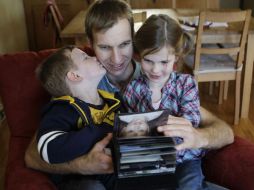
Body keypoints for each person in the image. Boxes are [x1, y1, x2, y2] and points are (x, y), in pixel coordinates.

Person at [25, 0, 234, 189]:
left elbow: (224, 131)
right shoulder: (77, 89)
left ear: (134, 40)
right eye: (105, 47)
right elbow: (33, 155)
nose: (116, 58)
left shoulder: (158, 77)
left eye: (124, 44)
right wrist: (82, 165)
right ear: (90, 43)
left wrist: (199, 137)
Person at [123, 14, 208, 189]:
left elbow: (191, 121)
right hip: (150, 161)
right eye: (148, 61)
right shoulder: (132, 89)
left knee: (189, 186)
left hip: (185, 159)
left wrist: (157, 130)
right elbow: (129, 128)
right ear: (139, 56)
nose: (155, 69)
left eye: (164, 62)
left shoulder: (186, 84)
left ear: (176, 57)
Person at [36, 45, 122, 189]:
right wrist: (99, 131)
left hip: (115, 171)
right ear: (75, 76)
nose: (95, 57)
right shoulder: (63, 109)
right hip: (81, 180)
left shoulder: (114, 100)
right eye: (86, 57)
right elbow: (47, 147)